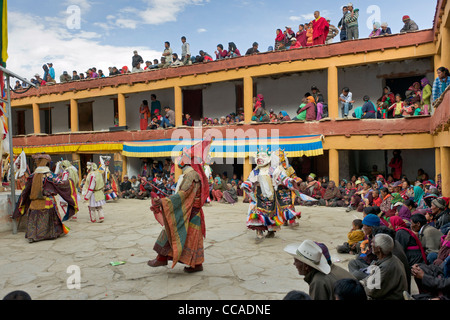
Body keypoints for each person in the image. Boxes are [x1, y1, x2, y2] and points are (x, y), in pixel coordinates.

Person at [148, 137, 212, 273]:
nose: (178, 159)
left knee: (171, 230)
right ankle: (166, 258)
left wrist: (165, 201)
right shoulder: (189, 175)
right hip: (191, 212)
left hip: (190, 212)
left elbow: (184, 195)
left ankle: (163, 258)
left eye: (181, 156)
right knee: (187, 238)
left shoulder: (191, 176)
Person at [12, 153, 78, 243]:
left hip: (34, 203)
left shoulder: (32, 176)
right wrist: (70, 182)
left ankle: (32, 236)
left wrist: (22, 203)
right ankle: (51, 234)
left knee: (34, 220)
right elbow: (61, 184)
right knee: (49, 219)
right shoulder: (49, 176)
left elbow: (25, 191)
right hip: (47, 201)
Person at [241, 149, 299, 241]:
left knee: (271, 214)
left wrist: (289, 181)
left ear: (269, 158)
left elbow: (282, 177)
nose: (260, 158)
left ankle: (271, 231)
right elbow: (250, 180)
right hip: (259, 196)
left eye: (263, 156)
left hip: (271, 196)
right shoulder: (256, 171)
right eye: (258, 156)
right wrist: (246, 184)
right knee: (257, 213)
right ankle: (259, 231)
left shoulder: (273, 170)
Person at [284, 240, 356, 300]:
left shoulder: (319, 281)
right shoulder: (334, 269)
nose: (294, 264)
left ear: (305, 266)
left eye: (296, 261)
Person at [360, 233, 408, 300]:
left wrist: (360, 287)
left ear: (378, 248)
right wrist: (362, 283)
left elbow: (372, 292)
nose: (371, 244)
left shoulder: (387, 266)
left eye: (373, 243)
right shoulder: (390, 259)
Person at [348, 214, 380, 280]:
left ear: (370, 227)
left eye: (364, 226)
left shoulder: (378, 240)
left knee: (356, 274)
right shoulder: (371, 236)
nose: (363, 228)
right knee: (352, 262)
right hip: (370, 263)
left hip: (375, 269)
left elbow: (375, 260)